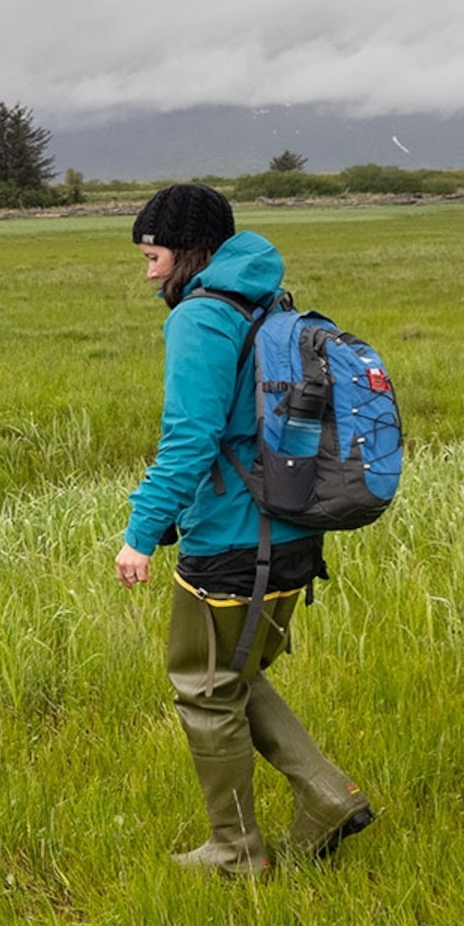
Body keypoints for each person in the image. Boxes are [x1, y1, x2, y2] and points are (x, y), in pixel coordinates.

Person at [115, 184, 377, 877]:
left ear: (189, 250)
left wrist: (140, 532)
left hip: (232, 543)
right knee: (231, 673)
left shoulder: (200, 317)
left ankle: (235, 851)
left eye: (154, 253)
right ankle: (330, 794)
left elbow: (190, 441)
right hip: (292, 531)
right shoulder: (269, 301)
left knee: (203, 687)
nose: (147, 271)